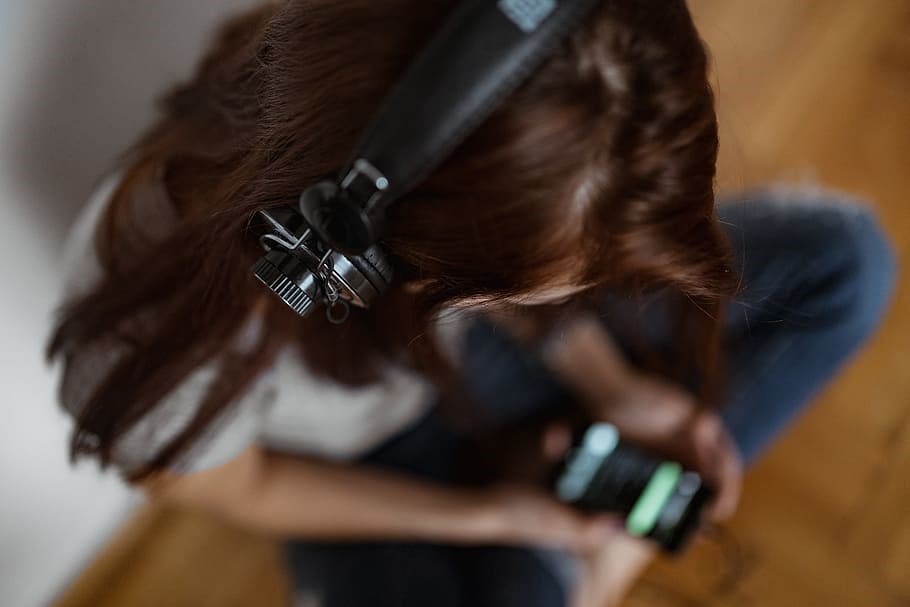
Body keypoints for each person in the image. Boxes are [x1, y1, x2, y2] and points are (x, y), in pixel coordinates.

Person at [46, 1, 896, 606]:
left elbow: (524, 278)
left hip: (467, 341)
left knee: (845, 263)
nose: (586, 295)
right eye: (559, 275)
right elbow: (246, 483)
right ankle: (578, 551)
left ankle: (597, 538)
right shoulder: (149, 337)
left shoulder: (407, 100)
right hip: (365, 456)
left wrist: (609, 386)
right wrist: (488, 514)